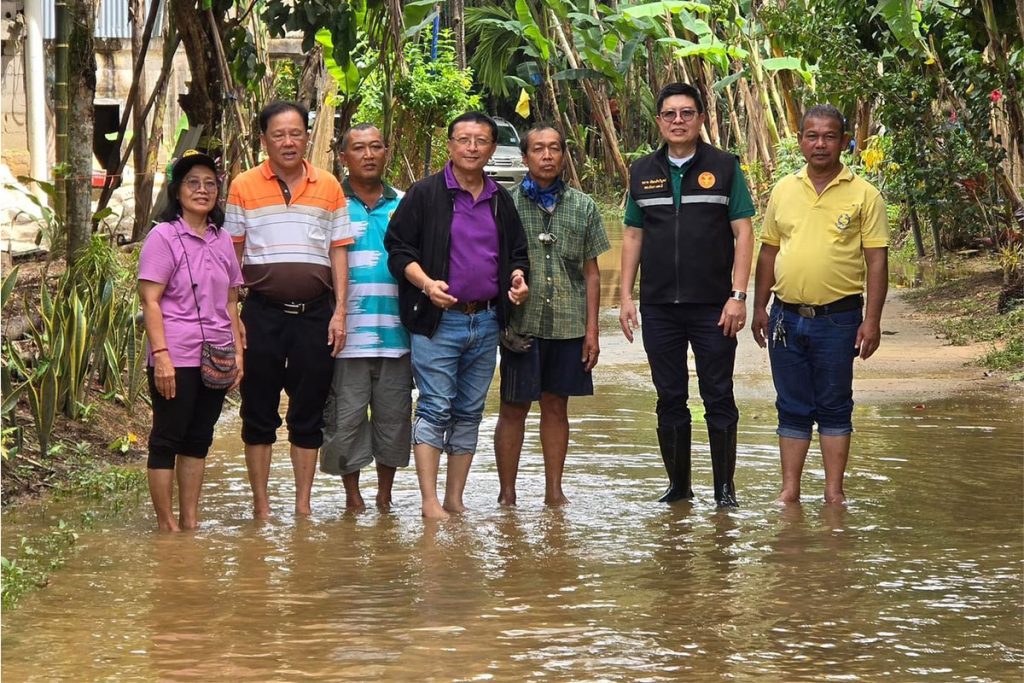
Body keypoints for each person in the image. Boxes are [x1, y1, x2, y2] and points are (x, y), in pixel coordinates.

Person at [385, 112, 530, 520]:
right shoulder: (426, 193)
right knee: (434, 405)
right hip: (437, 321)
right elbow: (397, 250)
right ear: (450, 144)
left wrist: (518, 279)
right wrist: (428, 285)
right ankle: (430, 502)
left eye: (481, 141)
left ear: (491, 148)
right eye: (463, 139)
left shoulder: (499, 199)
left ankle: (454, 499)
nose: (471, 148)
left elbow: (516, 254)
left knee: (469, 409)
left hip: (485, 320)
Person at [619, 82, 756, 508]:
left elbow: (744, 231)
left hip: (714, 305)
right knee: (669, 396)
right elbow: (632, 234)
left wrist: (738, 295)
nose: (678, 121)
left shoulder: (726, 167)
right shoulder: (642, 171)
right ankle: (679, 488)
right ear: (659, 121)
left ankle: (724, 491)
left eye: (687, 113)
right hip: (659, 307)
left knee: (718, 394)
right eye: (670, 114)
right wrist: (625, 296)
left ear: (700, 119)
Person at [751, 104, 889, 505]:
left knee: (834, 405)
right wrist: (760, 306)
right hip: (785, 317)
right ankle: (789, 492)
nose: (821, 144)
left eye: (830, 136)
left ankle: (834, 493)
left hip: (839, 319)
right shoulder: (783, 189)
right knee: (791, 406)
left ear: (845, 142)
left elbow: (876, 260)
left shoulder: (865, 194)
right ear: (800, 141)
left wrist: (872, 321)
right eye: (812, 136)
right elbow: (768, 252)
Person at [225, 101, 353, 519]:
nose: (288, 142)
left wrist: (340, 314)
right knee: (258, 410)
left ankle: (302, 507)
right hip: (261, 314)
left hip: (316, 315)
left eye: (296, 133)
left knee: (308, 411)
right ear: (264, 141)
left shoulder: (330, 185)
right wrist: (233, 319)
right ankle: (261, 507)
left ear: (307, 137)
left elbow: (338, 255)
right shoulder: (243, 185)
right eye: (278, 135)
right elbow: (232, 256)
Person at [493, 124, 610, 507]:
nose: (547, 155)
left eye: (554, 148)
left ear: (563, 155)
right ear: (524, 157)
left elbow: (591, 273)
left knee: (557, 405)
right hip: (521, 324)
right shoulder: (505, 204)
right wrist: (501, 318)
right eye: (538, 149)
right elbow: (492, 264)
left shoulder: (584, 206)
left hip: (568, 324)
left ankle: (553, 491)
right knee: (513, 407)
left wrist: (592, 330)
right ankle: (507, 494)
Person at [139, 150, 244, 531]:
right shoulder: (163, 237)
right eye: (193, 183)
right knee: (168, 437)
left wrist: (237, 354)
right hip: (176, 353)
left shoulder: (221, 241)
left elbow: (231, 301)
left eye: (210, 184)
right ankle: (167, 526)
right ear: (178, 191)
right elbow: (150, 300)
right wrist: (161, 356)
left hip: (216, 352)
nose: (202, 190)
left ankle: (191, 521)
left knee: (200, 438)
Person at [321, 123, 411, 512]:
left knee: (394, 419)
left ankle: (385, 495)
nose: (369, 154)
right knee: (346, 419)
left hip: (398, 334)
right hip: (346, 336)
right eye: (359, 148)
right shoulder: (329, 205)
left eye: (376, 146)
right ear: (344, 158)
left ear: (387, 152)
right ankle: (353, 498)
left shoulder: (406, 204)